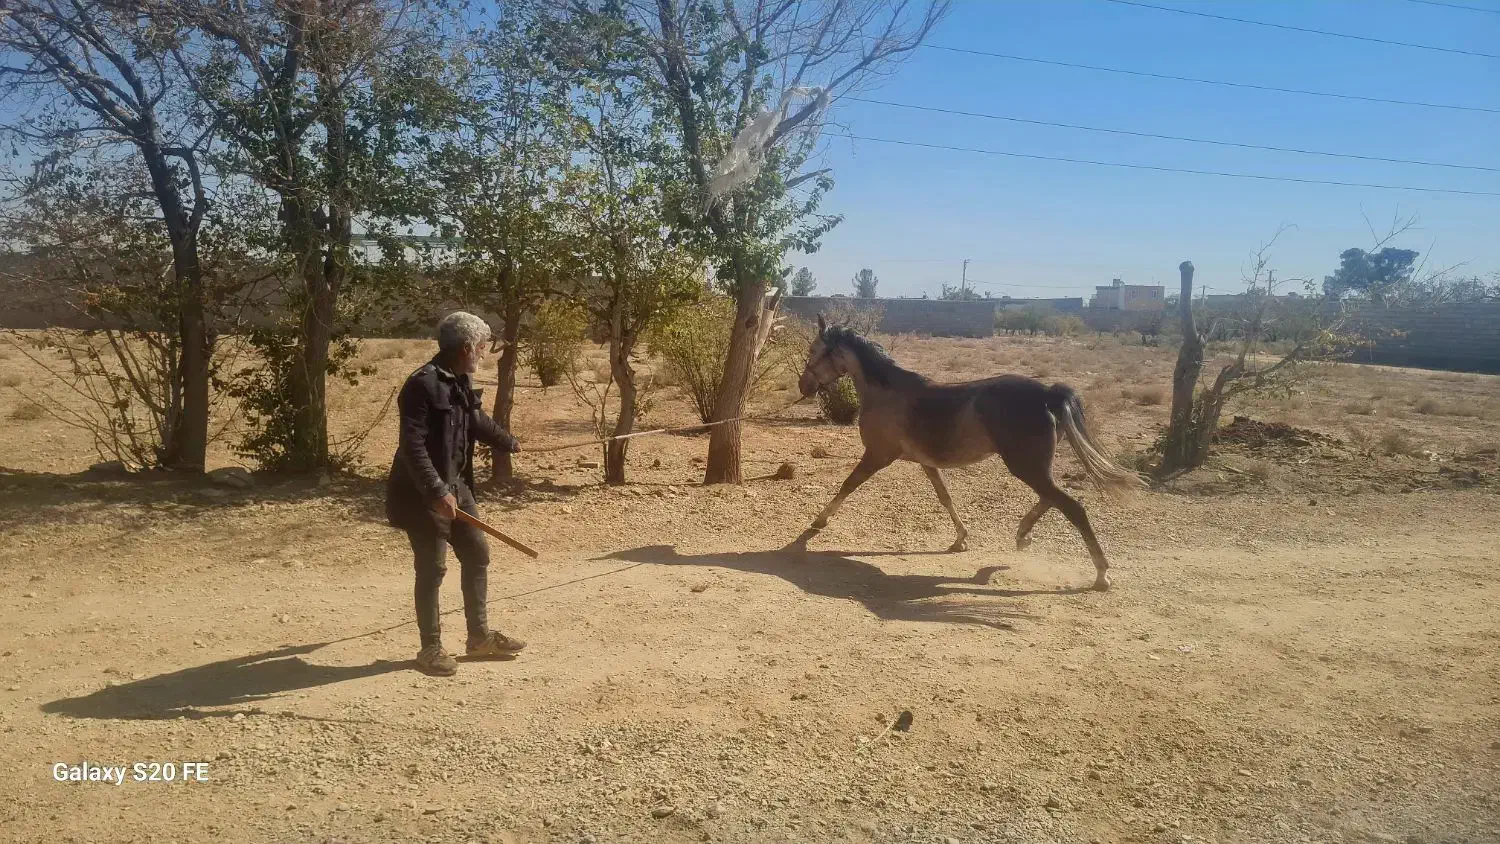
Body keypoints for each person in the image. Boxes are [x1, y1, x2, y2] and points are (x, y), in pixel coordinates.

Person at [386, 311, 526, 676]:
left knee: (477, 553)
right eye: (482, 347)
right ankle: (430, 648)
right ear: (466, 348)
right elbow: (412, 445)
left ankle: (479, 638)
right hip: (422, 493)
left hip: (457, 487)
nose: (483, 353)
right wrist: (435, 491)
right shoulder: (421, 384)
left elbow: (475, 421)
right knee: (432, 568)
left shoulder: (460, 381)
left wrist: (509, 443)